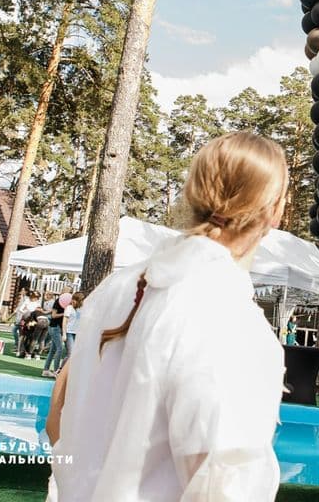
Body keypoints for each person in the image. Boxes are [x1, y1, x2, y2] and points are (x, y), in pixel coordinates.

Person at [51, 132, 288, 502]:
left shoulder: (117, 288)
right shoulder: (231, 322)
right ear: (274, 210)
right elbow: (223, 488)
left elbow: (65, 423)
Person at [42, 295, 66, 378]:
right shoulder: (58, 302)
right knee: (60, 348)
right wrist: (64, 313)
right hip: (54, 327)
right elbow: (53, 315)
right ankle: (56, 371)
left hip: (57, 328)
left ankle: (45, 370)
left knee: (52, 350)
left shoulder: (67, 304)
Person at [13, 290, 40, 355]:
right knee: (22, 335)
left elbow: (38, 311)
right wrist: (27, 311)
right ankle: (19, 350)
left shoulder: (38, 303)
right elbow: (21, 309)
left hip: (33, 320)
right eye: (34, 297)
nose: (35, 298)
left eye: (36, 297)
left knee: (31, 336)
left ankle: (28, 350)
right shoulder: (27, 301)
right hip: (25, 319)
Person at [62, 292, 83, 366]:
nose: (73, 301)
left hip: (77, 333)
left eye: (76, 299)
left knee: (74, 355)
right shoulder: (69, 308)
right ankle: (60, 370)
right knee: (70, 353)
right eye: (73, 299)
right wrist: (64, 334)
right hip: (69, 332)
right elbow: (64, 321)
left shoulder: (82, 309)